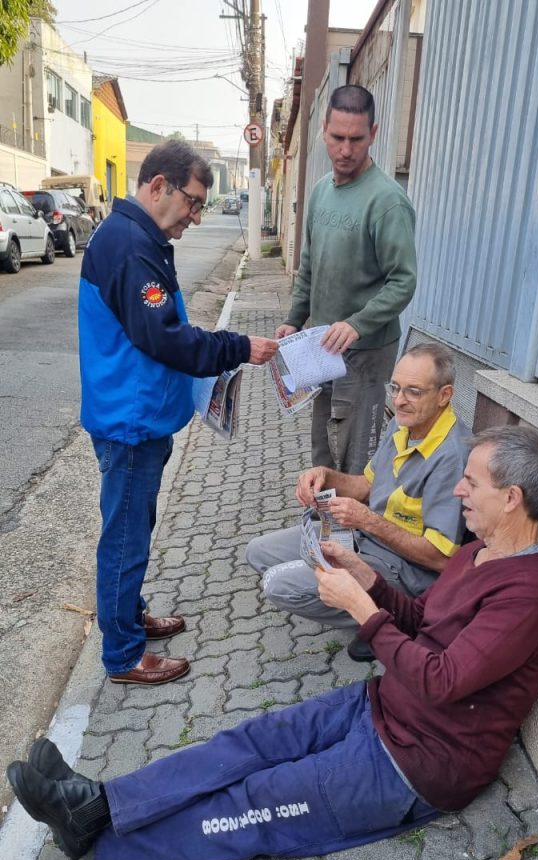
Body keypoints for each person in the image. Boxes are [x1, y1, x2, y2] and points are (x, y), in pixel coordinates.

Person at [6, 426, 538, 860]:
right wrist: (370, 581)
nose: (458, 490)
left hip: (422, 763)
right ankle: (99, 802)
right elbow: (425, 622)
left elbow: (442, 680)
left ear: (512, 498)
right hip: (383, 706)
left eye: (471, 481)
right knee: (250, 742)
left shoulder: (531, 595)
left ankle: (101, 837)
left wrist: (361, 609)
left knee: (261, 799)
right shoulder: (476, 554)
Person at [78, 139, 277, 686]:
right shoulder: (129, 246)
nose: (195, 216)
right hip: (130, 420)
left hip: (140, 414)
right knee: (124, 537)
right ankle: (123, 654)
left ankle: (130, 616)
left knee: (134, 527)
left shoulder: (140, 237)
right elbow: (164, 337)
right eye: (192, 202)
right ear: (158, 186)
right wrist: (237, 346)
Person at [246, 342, 470, 659]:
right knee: (258, 552)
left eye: (413, 392)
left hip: (408, 571)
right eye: (395, 388)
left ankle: (395, 621)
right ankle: (367, 609)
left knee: (279, 585)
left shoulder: (452, 458)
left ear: (444, 395)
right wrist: (325, 475)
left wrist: (367, 520)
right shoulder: (405, 424)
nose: (399, 400)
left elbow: (441, 559)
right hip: (366, 539)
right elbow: (365, 485)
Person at [276, 84, 417, 474]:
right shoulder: (321, 192)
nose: (345, 149)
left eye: (356, 139)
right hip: (321, 348)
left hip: (366, 352)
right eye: (337, 137)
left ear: (373, 134)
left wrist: (357, 324)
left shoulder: (387, 202)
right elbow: (310, 264)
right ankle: (321, 510)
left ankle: (356, 515)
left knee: (358, 458)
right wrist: (293, 318)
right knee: (323, 447)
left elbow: (403, 281)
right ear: (324, 130)